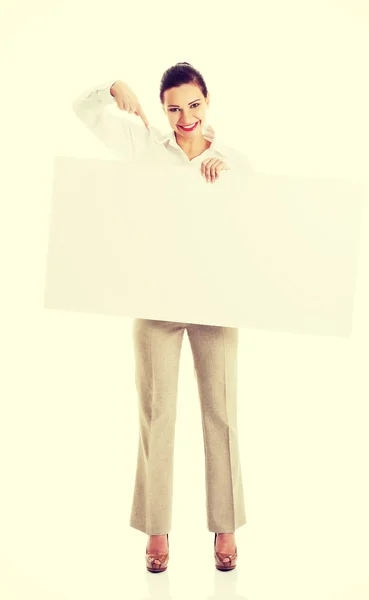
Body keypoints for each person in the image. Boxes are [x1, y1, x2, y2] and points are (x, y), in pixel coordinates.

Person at [72, 62, 252, 572]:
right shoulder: (145, 146)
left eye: (193, 104)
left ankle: (225, 527)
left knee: (221, 414)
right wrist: (111, 86)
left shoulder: (232, 160)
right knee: (157, 415)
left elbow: (257, 231)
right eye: (174, 107)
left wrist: (226, 180)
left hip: (216, 303)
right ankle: (156, 529)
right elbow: (82, 110)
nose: (185, 116)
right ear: (163, 109)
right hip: (156, 301)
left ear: (208, 101)